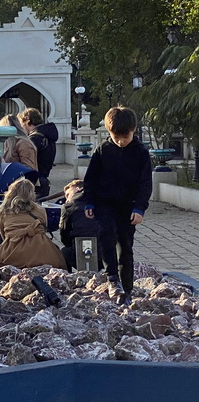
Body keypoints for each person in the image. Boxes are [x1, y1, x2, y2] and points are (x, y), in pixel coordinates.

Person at [83, 106, 152, 298]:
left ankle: (127, 288)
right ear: (109, 133)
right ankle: (112, 277)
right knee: (107, 234)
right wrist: (89, 202)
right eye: (116, 138)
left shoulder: (140, 153)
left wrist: (139, 208)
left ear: (133, 131)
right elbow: (91, 179)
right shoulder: (103, 150)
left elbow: (145, 184)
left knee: (125, 245)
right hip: (105, 202)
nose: (121, 142)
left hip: (128, 206)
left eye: (125, 137)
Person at [0, 178, 65, 269]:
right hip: (41, 251)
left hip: (11, 252)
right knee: (59, 259)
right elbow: (44, 228)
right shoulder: (40, 210)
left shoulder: (3, 211)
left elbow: (3, 234)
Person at [59, 179, 102, 270]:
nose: (66, 199)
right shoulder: (101, 202)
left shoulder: (68, 207)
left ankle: (67, 278)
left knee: (64, 252)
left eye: (67, 195)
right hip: (103, 254)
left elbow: (64, 235)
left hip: (78, 254)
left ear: (77, 189)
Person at [19, 108, 58, 197]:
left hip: (35, 181)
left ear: (27, 122)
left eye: (22, 124)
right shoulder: (48, 136)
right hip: (44, 179)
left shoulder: (35, 138)